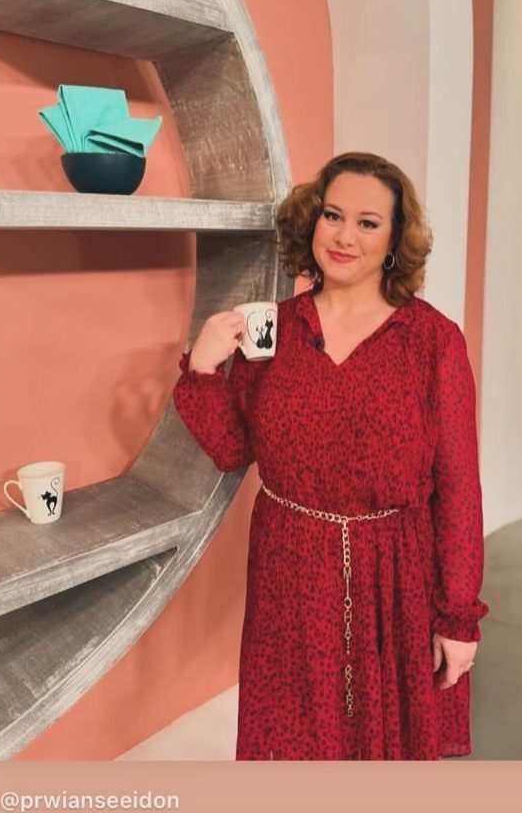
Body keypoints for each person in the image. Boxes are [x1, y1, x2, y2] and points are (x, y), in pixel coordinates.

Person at [173, 151, 489, 760]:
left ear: (394, 239)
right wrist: (205, 368)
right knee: (292, 743)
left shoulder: (433, 341)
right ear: (311, 221)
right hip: (288, 575)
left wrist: (458, 619)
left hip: (395, 579)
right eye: (333, 215)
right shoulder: (271, 331)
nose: (344, 237)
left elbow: (459, 489)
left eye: (368, 223)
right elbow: (233, 449)